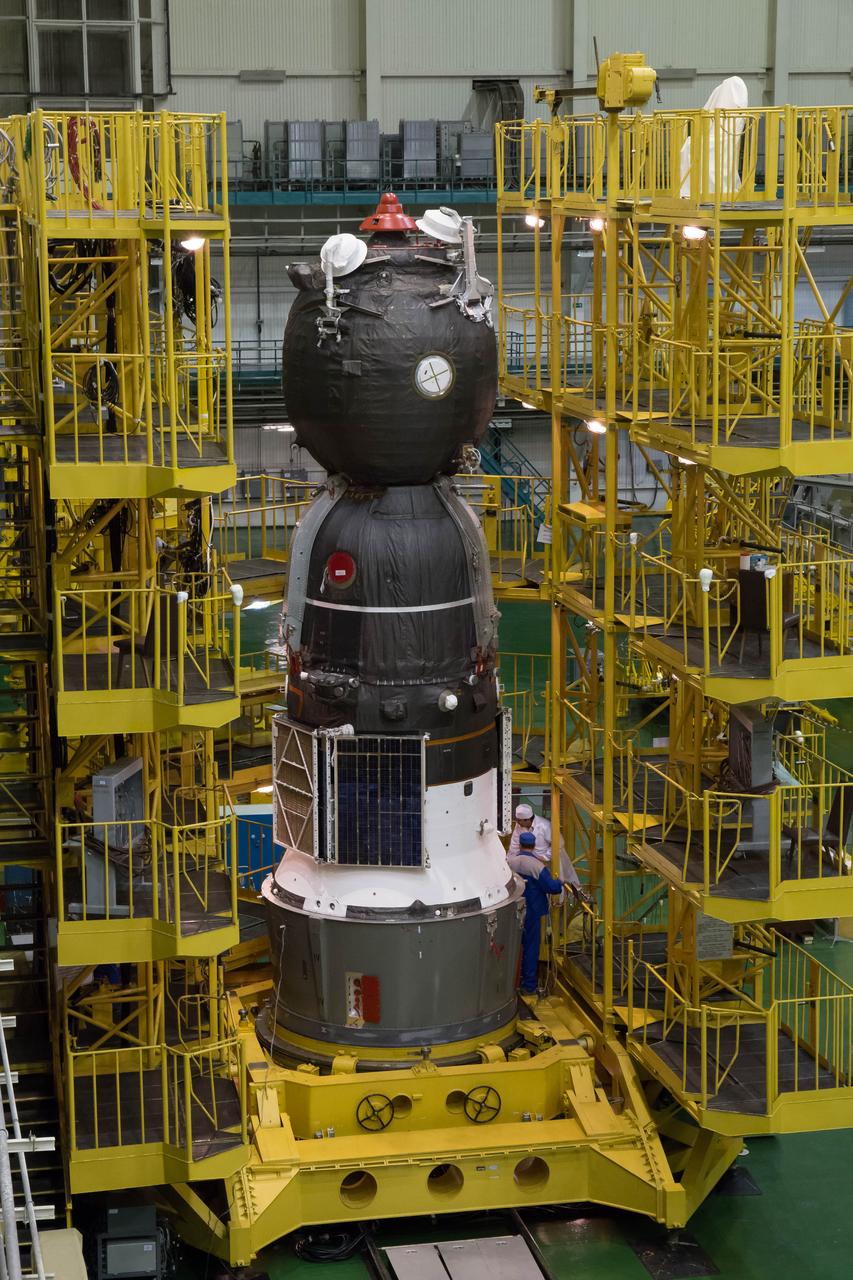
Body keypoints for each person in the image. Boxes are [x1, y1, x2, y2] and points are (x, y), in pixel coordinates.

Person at [509, 830, 576, 996]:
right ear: (534, 846)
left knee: (512, 946)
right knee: (531, 947)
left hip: (511, 911)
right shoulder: (537, 866)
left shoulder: (509, 862)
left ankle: (508, 983)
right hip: (531, 912)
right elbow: (552, 888)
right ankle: (528, 985)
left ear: (519, 845)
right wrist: (558, 881)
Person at [509, 802, 582, 892]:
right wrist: (509, 862)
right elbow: (514, 846)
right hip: (529, 864)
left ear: (527, 820)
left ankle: (558, 903)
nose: (517, 823)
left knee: (552, 885)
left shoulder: (545, 825)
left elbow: (559, 843)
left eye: (519, 820)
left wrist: (545, 857)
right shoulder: (519, 825)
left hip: (547, 863)